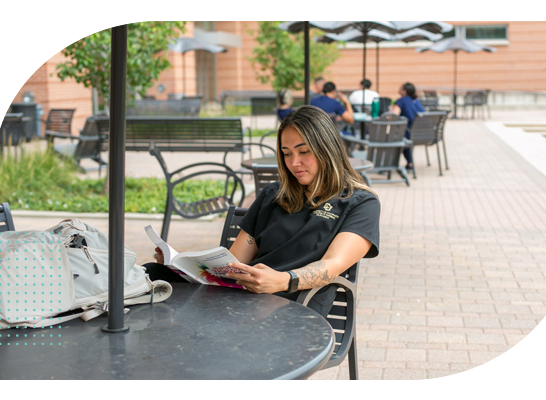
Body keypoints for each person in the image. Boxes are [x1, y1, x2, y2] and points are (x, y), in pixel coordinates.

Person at [145, 106, 380, 317]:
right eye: (286, 153)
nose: (294, 162)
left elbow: (333, 265)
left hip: (297, 306)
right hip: (245, 299)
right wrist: (183, 262)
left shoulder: (360, 203)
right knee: (151, 272)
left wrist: (282, 281)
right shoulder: (274, 195)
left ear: (327, 149)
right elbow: (235, 261)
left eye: (304, 151)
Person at [392, 82, 425, 171]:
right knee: (403, 135)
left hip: (410, 134)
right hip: (425, 134)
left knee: (395, 136)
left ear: (404, 91)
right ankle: (410, 163)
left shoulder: (401, 101)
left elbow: (393, 117)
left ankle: (388, 165)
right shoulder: (417, 101)